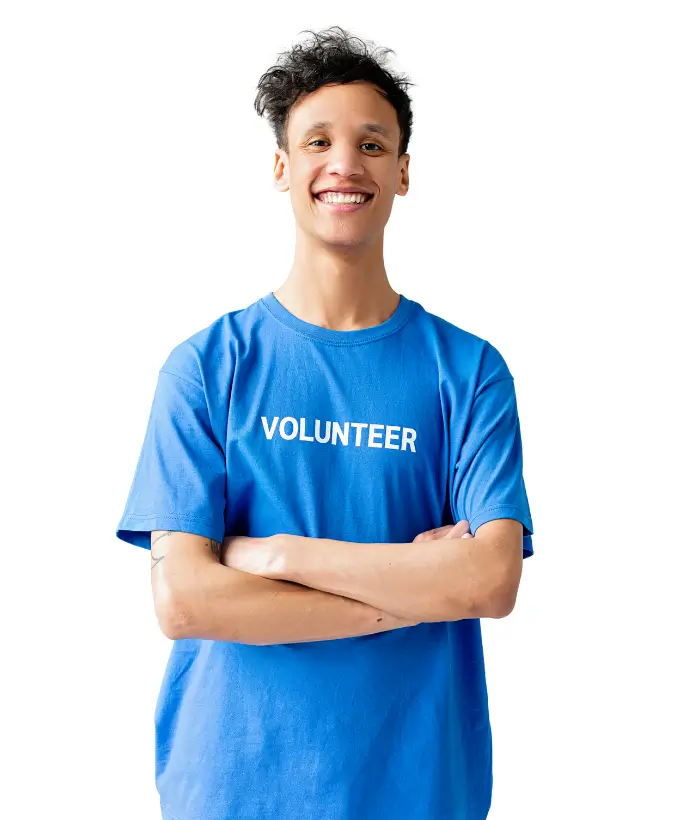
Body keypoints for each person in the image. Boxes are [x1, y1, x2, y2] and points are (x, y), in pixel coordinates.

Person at [116, 25, 534, 820]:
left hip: (418, 785)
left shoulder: (469, 371)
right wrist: (414, 593)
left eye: (372, 144)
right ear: (282, 167)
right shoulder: (209, 366)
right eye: (318, 140)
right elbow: (186, 602)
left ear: (404, 172)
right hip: (234, 786)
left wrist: (276, 556)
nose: (345, 163)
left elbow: (490, 579)